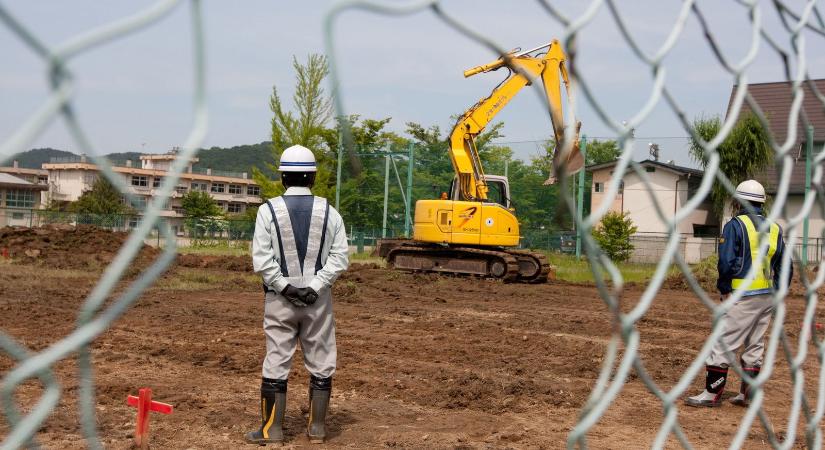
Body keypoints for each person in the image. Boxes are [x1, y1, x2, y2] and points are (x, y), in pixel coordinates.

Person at [245, 144, 349, 444]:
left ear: (283, 178)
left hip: (280, 299)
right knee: (321, 359)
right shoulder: (330, 211)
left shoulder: (267, 211)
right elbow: (340, 257)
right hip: (318, 300)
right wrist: (315, 286)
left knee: (277, 358)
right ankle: (317, 429)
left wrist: (286, 287)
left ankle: (271, 430)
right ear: (312, 179)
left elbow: (262, 260)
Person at [685, 179, 792, 408]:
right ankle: (748, 395)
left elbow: (725, 262)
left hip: (742, 294)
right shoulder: (775, 228)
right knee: (755, 344)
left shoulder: (735, 225)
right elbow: (785, 264)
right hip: (768, 294)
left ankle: (711, 394)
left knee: (723, 342)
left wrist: (725, 289)